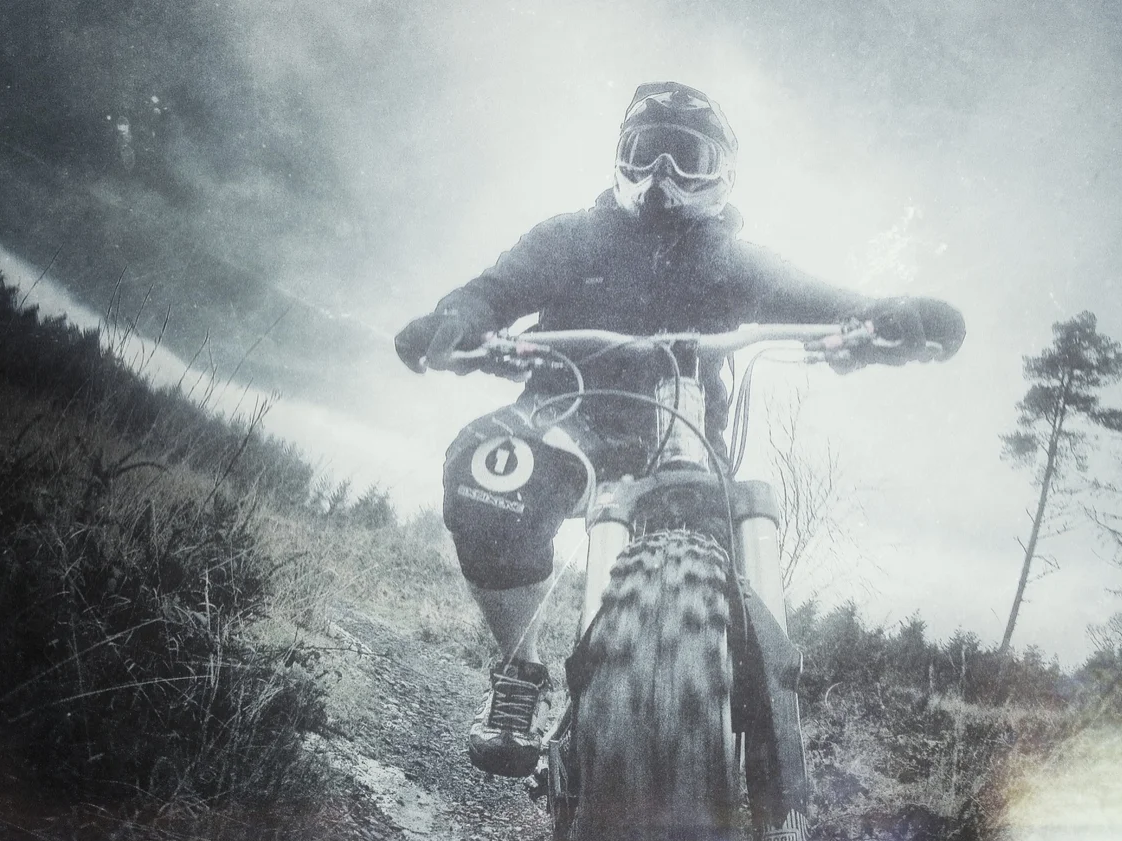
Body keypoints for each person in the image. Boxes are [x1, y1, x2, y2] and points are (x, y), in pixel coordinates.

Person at [395, 81, 964, 778]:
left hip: (683, 435)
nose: (661, 175)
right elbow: (495, 289)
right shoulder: (569, 238)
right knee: (486, 470)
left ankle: (741, 734)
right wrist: (457, 320)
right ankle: (521, 671)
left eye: (685, 157)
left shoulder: (729, 258)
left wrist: (882, 317)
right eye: (646, 152)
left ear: (719, 172)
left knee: (732, 582)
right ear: (620, 157)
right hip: (566, 415)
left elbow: (812, 296)